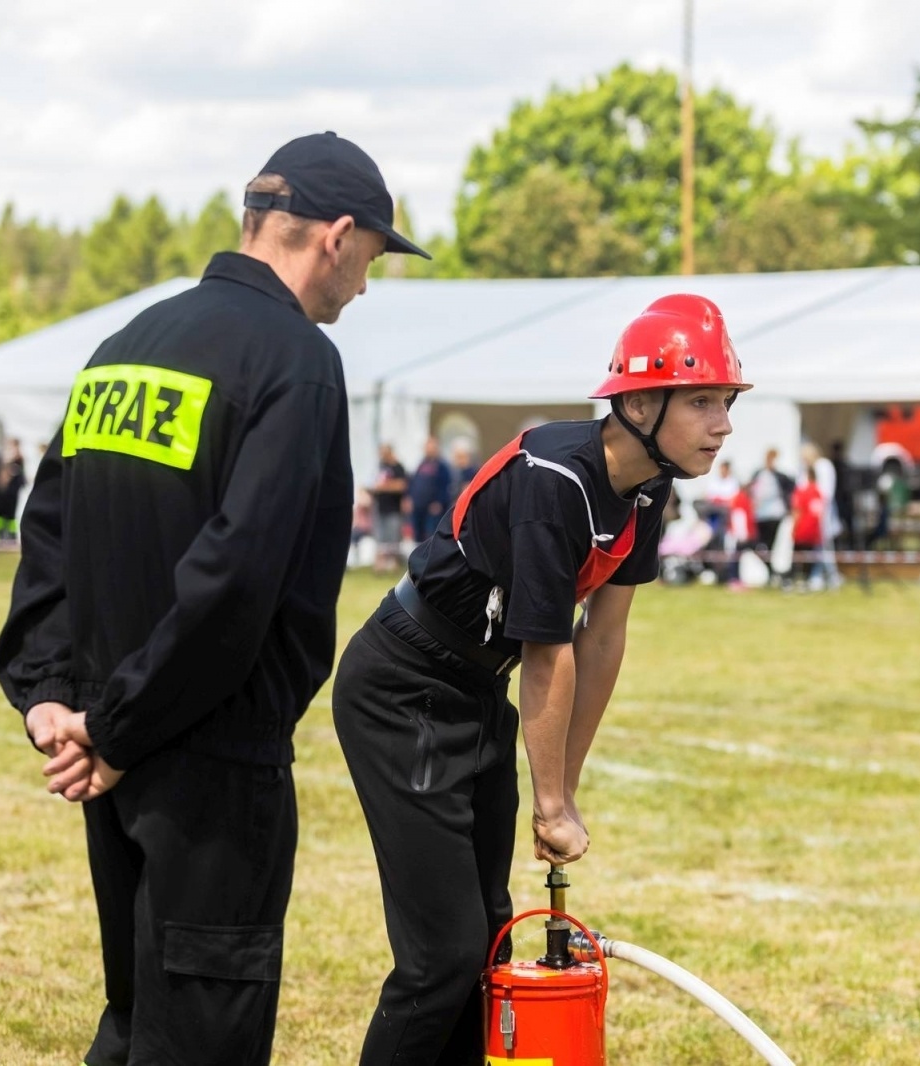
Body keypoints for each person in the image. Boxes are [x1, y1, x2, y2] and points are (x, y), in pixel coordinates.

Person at [0, 130, 428, 1066]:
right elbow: (239, 580)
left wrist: (52, 698)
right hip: (207, 762)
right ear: (337, 236)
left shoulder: (126, 343)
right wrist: (114, 726)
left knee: (135, 1018)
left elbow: (50, 533)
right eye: (372, 261)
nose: (364, 287)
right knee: (198, 1038)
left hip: (111, 752)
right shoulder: (296, 363)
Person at [332, 293, 751, 1064]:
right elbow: (548, 651)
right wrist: (550, 802)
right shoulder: (554, 476)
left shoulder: (650, 486)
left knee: (487, 938)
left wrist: (566, 791)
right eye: (703, 401)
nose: (724, 423)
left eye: (725, 401)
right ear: (638, 403)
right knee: (441, 958)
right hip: (402, 687)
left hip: (473, 690)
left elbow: (605, 636)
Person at [746, 447, 794, 585]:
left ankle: (773, 572)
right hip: (759, 515)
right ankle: (771, 570)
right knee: (759, 546)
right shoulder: (758, 474)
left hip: (774, 515)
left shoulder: (779, 475)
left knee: (771, 545)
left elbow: (791, 487)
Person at [369, 442, 408, 571]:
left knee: (393, 539)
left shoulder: (398, 468)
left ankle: (394, 564)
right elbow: (375, 484)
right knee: (380, 539)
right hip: (380, 507)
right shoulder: (380, 466)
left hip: (393, 509)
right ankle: (380, 566)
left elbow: (401, 485)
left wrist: (384, 487)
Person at [406, 436, 452, 542]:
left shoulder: (442, 466)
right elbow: (412, 483)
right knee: (418, 535)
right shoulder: (420, 464)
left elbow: (446, 486)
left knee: (430, 534)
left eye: (432, 447)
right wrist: (408, 498)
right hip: (418, 507)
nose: (429, 449)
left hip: (432, 508)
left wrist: (439, 502)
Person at [791, 463, 826, 589]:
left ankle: (796, 580)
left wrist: (793, 529)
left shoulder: (801, 492)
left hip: (802, 530)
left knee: (797, 559)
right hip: (814, 532)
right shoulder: (818, 492)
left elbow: (797, 512)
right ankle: (806, 580)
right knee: (809, 559)